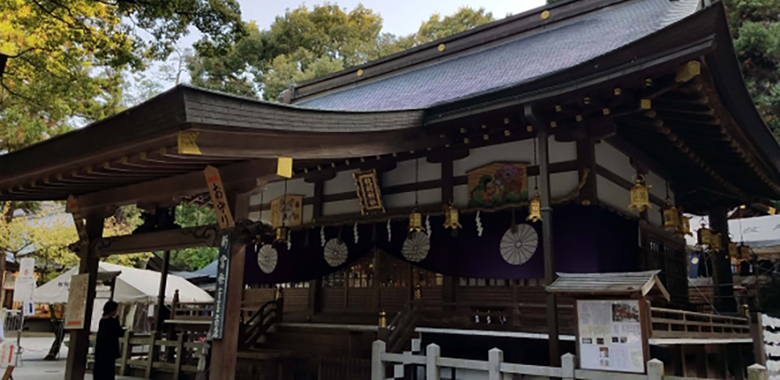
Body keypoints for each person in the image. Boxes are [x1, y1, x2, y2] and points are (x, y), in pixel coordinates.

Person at [94, 300, 123, 380]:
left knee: (100, 369)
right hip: (109, 350)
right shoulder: (113, 322)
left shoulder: (102, 321)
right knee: (108, 370)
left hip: (100, 349)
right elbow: (120, 333)